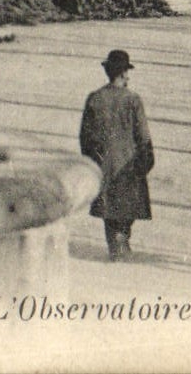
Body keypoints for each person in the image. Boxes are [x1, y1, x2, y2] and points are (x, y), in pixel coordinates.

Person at [79, 48, 155, 262]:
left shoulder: (94, 99)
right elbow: (143, 137)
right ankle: (121, 243)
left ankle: (115, 245)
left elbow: (85, 136)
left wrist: (92, 162)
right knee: (127, 207)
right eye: (127, 73)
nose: (128, 77)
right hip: (128, 166)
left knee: (109, 208)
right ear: (122, 74)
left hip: (103, 164)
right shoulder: (133, 100)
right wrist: (146, 162)